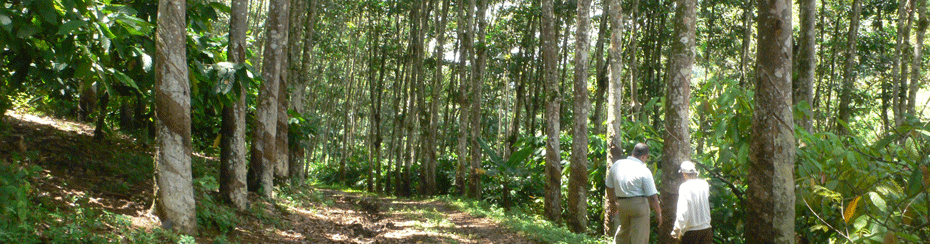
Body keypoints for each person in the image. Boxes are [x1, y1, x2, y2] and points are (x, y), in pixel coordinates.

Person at [605, 143, 662, 244]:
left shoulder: (617, 164)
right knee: (640, 236)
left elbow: (609, 186)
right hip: (639, 204)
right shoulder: (644, 170)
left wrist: (612, 203)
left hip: (622, 204)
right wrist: (658, 213)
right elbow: (652, 196)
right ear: (644, 156)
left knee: (623, 233)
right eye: (646, 158)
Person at [670, 161, 712, 244]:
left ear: (684, 174)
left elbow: (683, 212)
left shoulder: (684, 187)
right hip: (706, 230)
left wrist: (676, 229)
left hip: (691, 232)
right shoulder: (704, 184)